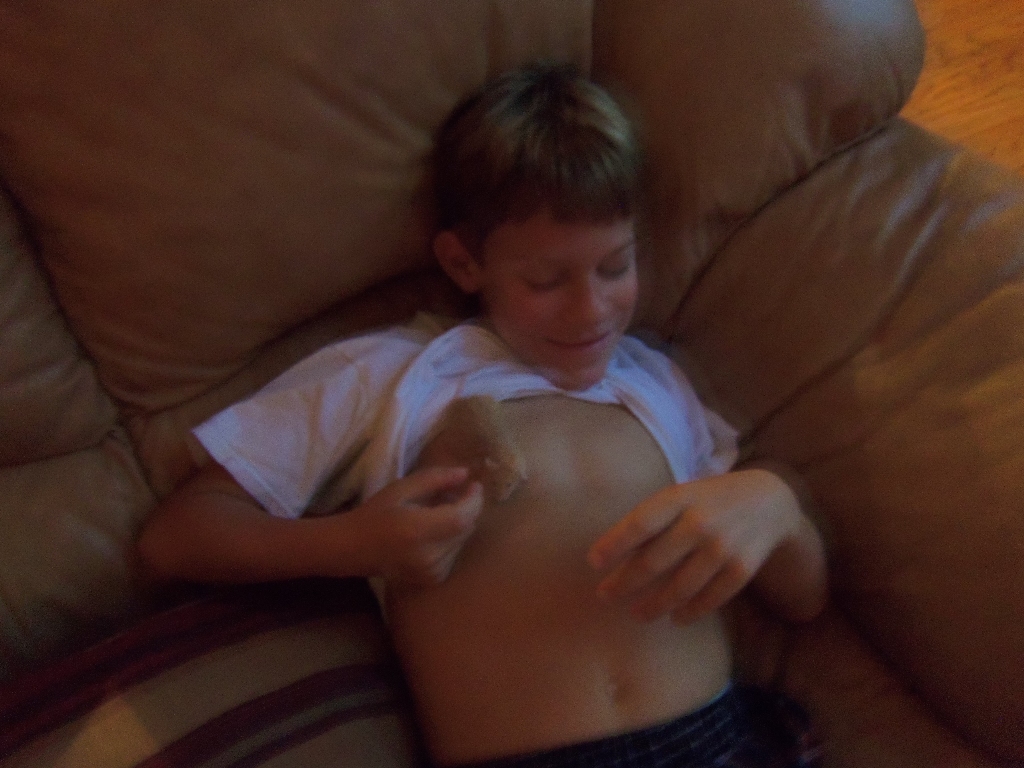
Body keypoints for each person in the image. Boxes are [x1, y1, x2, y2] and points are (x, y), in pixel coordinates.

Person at [138, 63, 828, 768]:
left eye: (615, 267)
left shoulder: (659, 385)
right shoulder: (392, 371)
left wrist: (773, 504)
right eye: (546, 279)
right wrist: (350, 544)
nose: (591, 310)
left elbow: (803, 598)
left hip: (725, 742)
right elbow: (176, 537)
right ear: (465, 263)